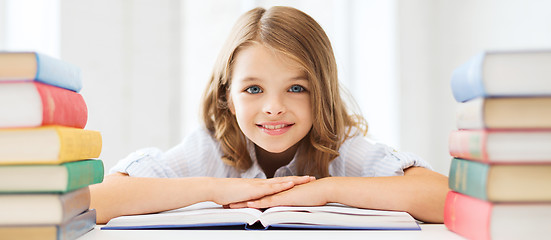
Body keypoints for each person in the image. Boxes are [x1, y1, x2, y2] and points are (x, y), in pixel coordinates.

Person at [90, 6, 449, 224]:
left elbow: (443, 197)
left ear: (321, 94)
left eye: (296, 88)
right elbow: (96, 199)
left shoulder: (341, 149)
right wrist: (217, 189)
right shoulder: (210, 149)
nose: (273, 107)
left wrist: (324, 191)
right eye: (253, 89)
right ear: (227, 96)